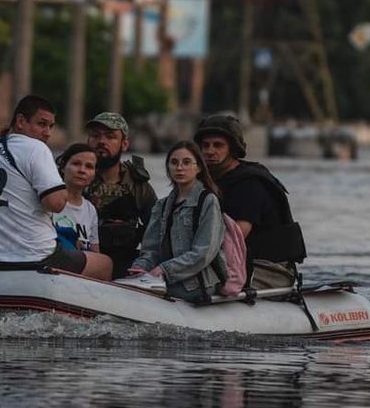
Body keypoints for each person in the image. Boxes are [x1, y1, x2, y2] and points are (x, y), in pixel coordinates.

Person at [0, 95, 112, 280]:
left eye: (51, 126)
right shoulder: (35, 148)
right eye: (42, 124)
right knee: (104, 264)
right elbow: (56, 203)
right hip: (36, 257)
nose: (47, 132)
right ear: (21, 121)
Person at [194, 114, 306, 290]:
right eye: (205, 145)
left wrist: (190, 260)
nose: (210, 151)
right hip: (228, 261)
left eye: (218, 145)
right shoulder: (204, 182)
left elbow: (236, 236)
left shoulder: (249, 184)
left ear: (232, 148)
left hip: (269, 269)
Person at [129, 141, 227, 302]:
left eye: (186, 162)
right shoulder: (162, 205)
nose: (179, 168)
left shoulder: (208, 201)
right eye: (174, 163)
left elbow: (203, 253)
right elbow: (151, 249)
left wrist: (164, 270)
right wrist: (141, 266)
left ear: (199, 168)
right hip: (165, 278)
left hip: (197, 283)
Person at [83, 112, 158, 278]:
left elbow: (156, 230)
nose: (101, 141)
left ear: (124, 144)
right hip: (82, 262)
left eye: (110, 137)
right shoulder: (75, 177)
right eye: (95, 136)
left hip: (125, 265)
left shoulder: (138, 186)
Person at [52, 143, 108, 259]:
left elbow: (95, 253)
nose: (82, 170)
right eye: (76, 164)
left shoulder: (90, 209)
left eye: (89, 166)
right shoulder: (49, 201)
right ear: (63, 167)